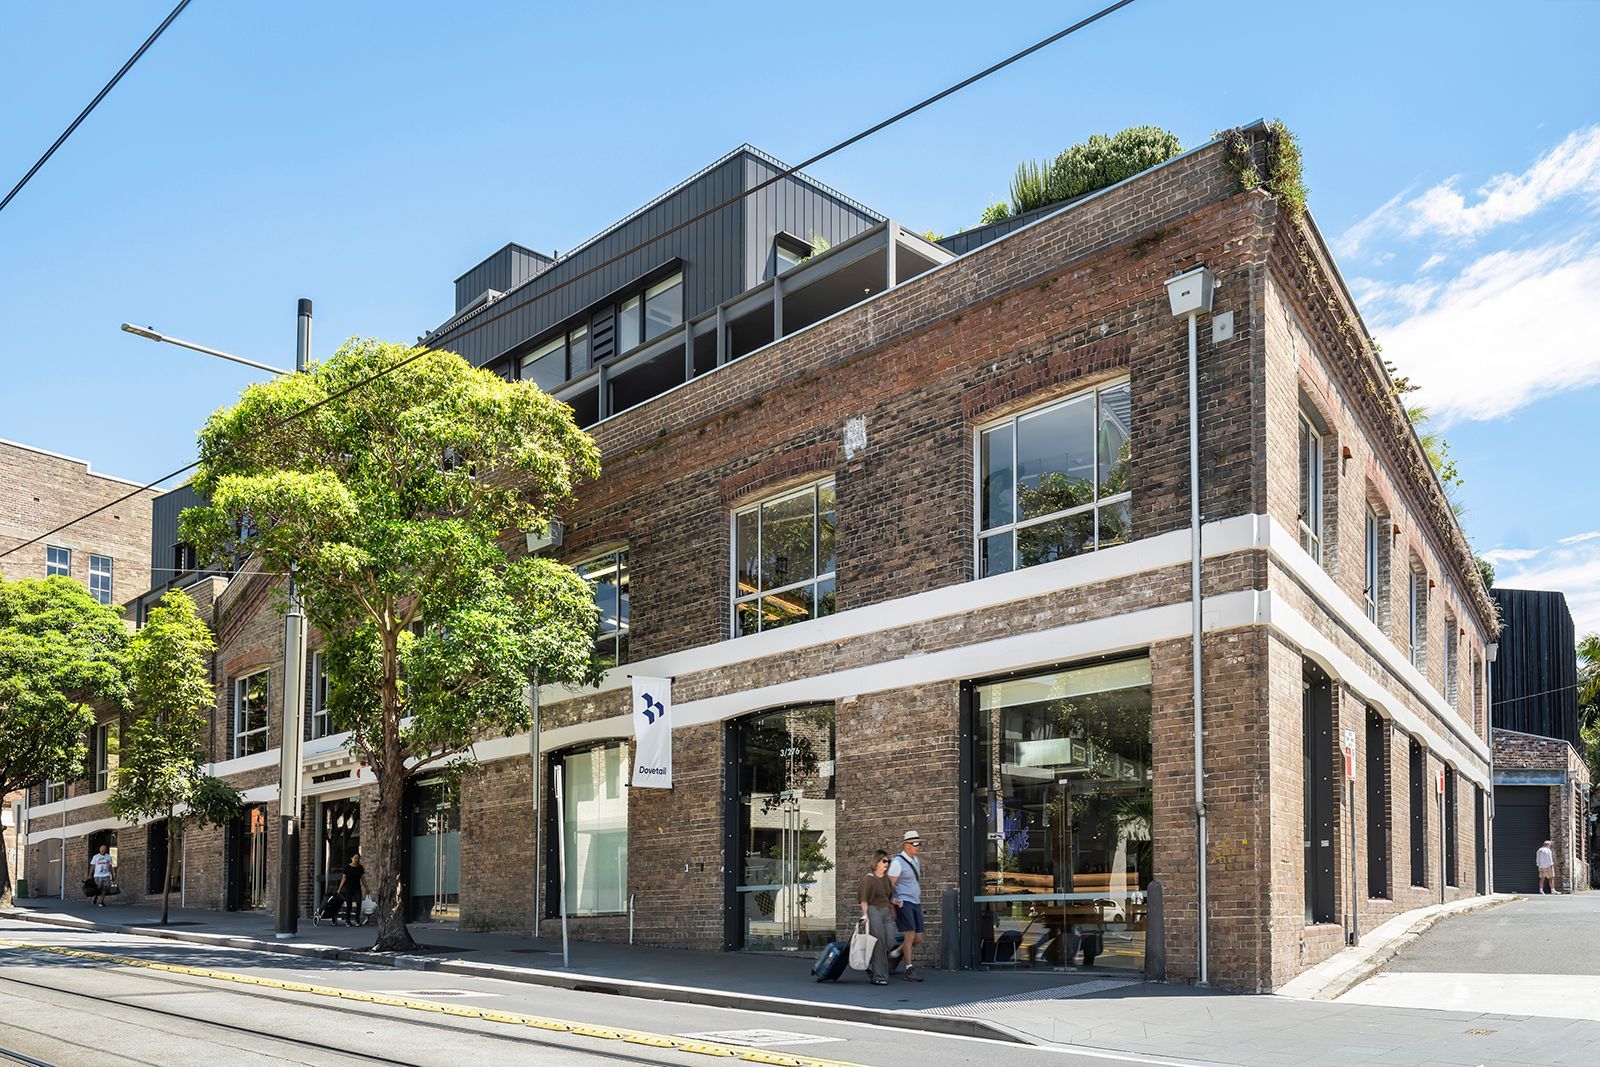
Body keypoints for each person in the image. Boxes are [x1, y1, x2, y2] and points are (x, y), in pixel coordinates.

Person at [887, 830, 925, 982]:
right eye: (915, 843)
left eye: (919, 843)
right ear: (906, 845)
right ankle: (909, 969)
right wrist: (893, 903)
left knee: (918, 937)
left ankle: (895, 953)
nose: (918, 846)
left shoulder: (916, 860)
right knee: (909, 935)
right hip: (904, 902)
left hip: (916, 902)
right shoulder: (897, 862)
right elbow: (889, 885)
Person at [858, 850, 895, 986]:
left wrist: (895, 902)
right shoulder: (869, 879)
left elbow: (889, 897)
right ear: (877, 862)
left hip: (886, 911)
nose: (887, 864)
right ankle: (879, 976)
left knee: (890, 941)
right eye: (884, 861)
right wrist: (865, 914)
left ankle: (871, 964)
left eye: (888, 861)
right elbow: (863, 899)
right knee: (879, 942)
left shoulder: (886, 879)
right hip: (874, 911)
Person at [336, 851, 367, 925]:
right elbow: (344, 879)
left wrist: (367, 888)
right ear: (351, 858)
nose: (357, 859)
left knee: (359, 903)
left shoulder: (360, 868)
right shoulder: (347, 868)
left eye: (358, 858)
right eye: (355, 858)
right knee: (349, 904)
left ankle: (357, 920)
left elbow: (363, 879)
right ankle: (348, 920)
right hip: (348, 889)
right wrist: (339, 889)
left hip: (357, 889)